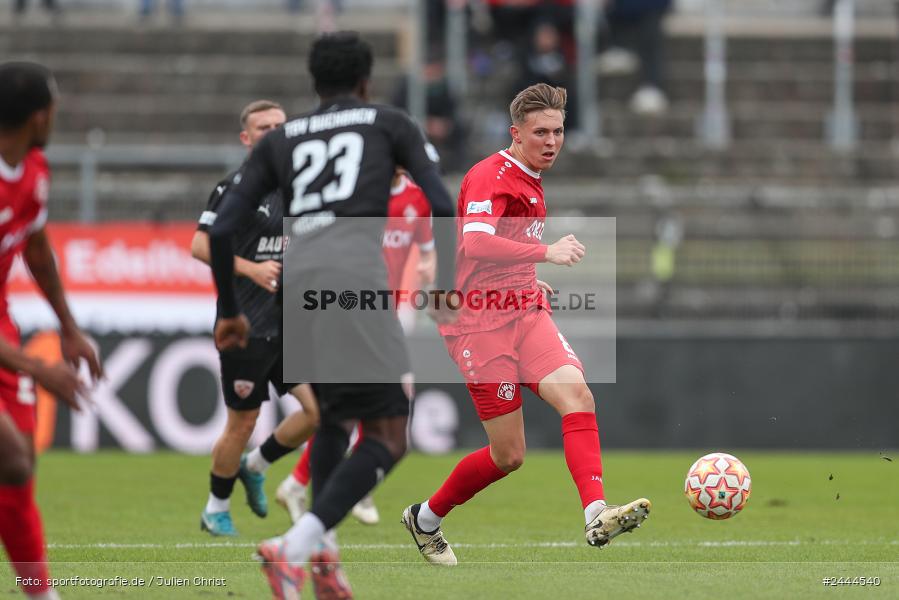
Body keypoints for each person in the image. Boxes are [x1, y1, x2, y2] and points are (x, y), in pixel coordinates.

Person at [206, 32, 456, 599]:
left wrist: (229, 310)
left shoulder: (283, 138)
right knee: (389, 433)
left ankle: (324, 558)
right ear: (366, 81)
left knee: (336, 421)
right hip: (355, 285)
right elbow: (442, 202)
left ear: (314, 82)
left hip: (297, 293)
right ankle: (293, 548)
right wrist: (444, 288)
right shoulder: (388, 123)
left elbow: (220, 229)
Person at [401, 83, 651, 566]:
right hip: (478, 325)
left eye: (558, 131)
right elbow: (476, 243)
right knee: (508, 454)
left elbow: (494, 248)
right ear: (516, 134)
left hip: (524, 312)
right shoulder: (490, 176)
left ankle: (596, 513)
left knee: (578, 396)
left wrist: (527, 278)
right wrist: (545, 252)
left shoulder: (531, 175)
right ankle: (425, 518)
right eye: (540, 132)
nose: (551, 141)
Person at [275, 168, 437, 526]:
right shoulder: (354, 191)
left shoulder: (417, 199)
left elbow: (427, 253)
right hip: (351, 312)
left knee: (363, 406)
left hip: (386, 314)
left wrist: (430, 273)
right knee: (370, 403)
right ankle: (345, 488)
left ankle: (300, 483)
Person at [192, 100, 320, 537]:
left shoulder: (301, 188)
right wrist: (251, 269)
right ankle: (215, 509)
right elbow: (200, 245)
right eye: (263, 127)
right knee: (242, 421)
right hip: (245, 323)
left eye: (280, 125)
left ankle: (256, 465)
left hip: (289, 324)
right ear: (246, 138)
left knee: (318, 412)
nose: (273, 132)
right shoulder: (235, 187)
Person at [0, 61, 103, 600]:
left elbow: (35, 247)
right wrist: (38, 368)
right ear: (40, 116)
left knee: (19, 466)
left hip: (2, 328)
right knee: (12, 458)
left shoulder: (34, 170)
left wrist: (68, 327)